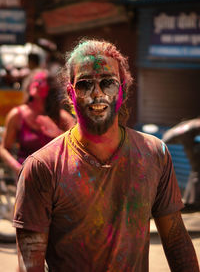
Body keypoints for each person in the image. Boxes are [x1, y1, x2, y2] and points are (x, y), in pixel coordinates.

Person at [13, 39, 199, 271]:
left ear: (123, 90)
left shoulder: (154, 154)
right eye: (85, 85)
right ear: (71, 93)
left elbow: (176, 241)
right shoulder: (42, 167)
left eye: (108, 83)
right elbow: (30, 263)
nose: (97, 94)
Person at [0, 70, 76, 178]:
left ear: (50, 88)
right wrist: (18, 168)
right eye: (35, 81)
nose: (36, 84)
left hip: (54, 180)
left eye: (41, 82)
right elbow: (3, 149)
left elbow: (78, 145)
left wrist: (57, 133)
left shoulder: (61, 117)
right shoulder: (17, 115)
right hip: (26, 180)